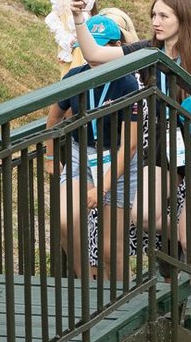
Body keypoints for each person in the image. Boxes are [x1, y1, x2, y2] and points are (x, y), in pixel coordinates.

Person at [72, 0, 191, 305]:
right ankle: (179, 235)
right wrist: (78, 19)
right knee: (141, 213)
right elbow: (94, 55)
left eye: (164, 15)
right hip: (166, 147)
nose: (156, 22)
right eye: (153, 15)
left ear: (183, 17)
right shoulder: (147, 50)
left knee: (190, 237)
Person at [46, 15, 140, 279]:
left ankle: (126, 297)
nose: (93, 56)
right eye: (89, 48)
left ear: (116, 45)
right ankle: (86, 284)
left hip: (118, 158)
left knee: (111, 249)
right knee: (65, 221)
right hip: (81, 154)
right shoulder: (75, 76)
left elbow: (130, 146)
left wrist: (103, 187)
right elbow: (53, 118)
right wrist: (51, 156)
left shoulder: (127, 82)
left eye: (101, 47)